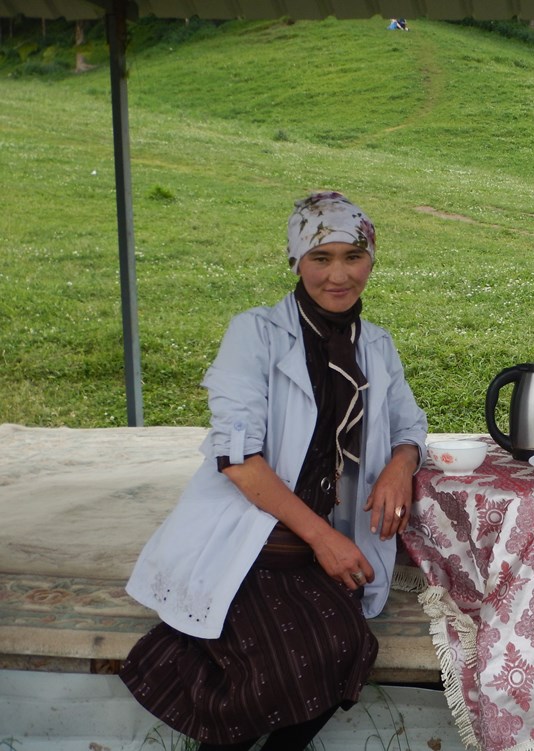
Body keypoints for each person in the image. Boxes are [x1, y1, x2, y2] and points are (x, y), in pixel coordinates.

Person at [119, 191, 428, 750]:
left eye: (352, 257)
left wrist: (399, 467)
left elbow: (411, 424)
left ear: (372, 261)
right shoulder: (255, 334)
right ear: (295, 262)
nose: (338, 275)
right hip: (259, 525)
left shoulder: (376, 345)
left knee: (344, 643)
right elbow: (238, 460)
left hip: (325, 533)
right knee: (297, 652)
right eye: (320, 258)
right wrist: (326, 540)